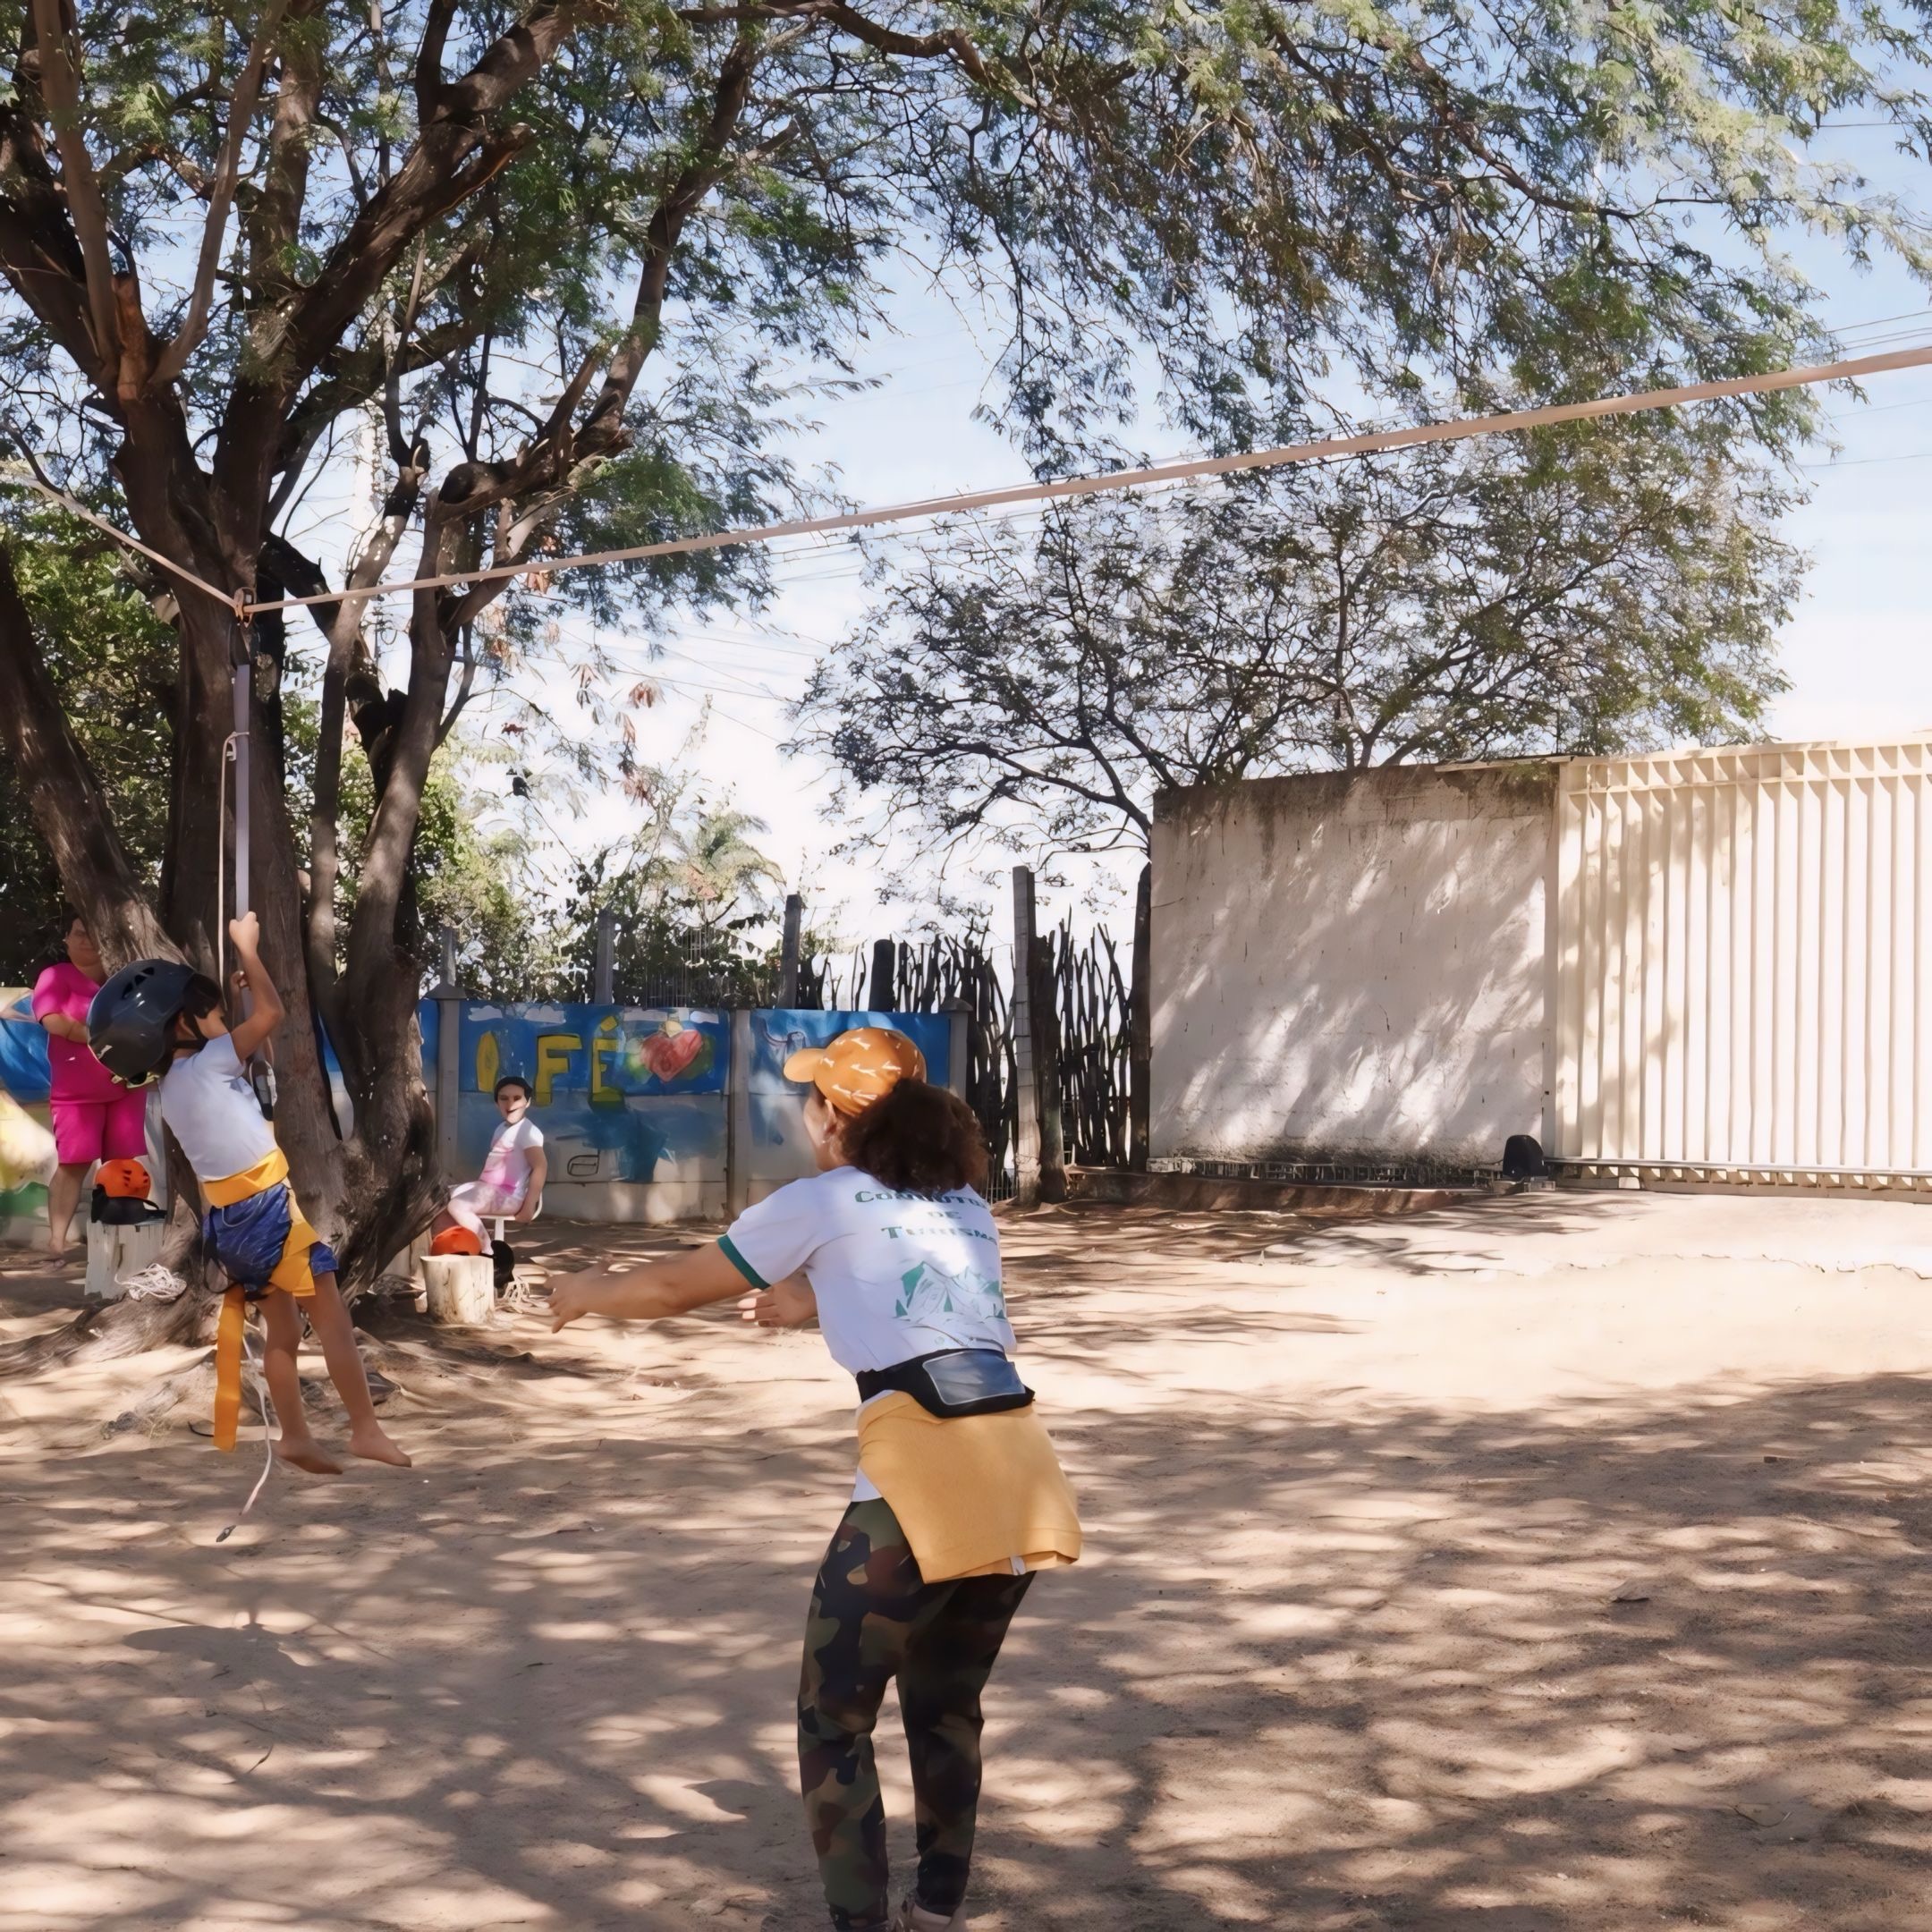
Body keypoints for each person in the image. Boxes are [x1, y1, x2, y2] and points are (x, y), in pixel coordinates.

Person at [549, 1026, 1080, 1932]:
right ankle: (939, 1910)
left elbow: (680, 1287)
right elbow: (919, 1301)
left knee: (833, 1720)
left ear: (834, 1119)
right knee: (947, 1706)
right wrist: (805, 1300)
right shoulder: (966, 1203)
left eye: (812, 1099)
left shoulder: (826, 1197)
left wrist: (589, 1290)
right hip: (1021, 1473)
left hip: (920, 1480)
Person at [88, 914, 410, 1475]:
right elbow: (272, 1015)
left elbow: (243, 1063)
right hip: (267, 1213)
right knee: (331, 1319)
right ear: (181, 1024)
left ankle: (294, 1435)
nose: (222, 1022)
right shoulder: (211, 1063)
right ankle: (364, 1428)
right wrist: (250, 952)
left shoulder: (173, 1088)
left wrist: (232, 1005)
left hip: (233, 1225)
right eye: (210, 1015)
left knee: (282, 1332)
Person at [31, 912, 148, 1259]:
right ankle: (57, 1243)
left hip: (126, 1086)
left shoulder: (123, 980)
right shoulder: (53, 976)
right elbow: (54, 1023)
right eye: (79, 933)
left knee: (123, 1165)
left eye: (93, 934)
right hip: (76, 1094)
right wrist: (103, 1039)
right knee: (73, 1163)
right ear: (66, 939)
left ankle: (118, 1244)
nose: (86, 940)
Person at [435, 1073, 546, 1242]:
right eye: (504, 1099)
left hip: (509, 1195)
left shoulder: (527, 1132)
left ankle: (488, 1252)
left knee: (458, 1206)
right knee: (438, 1201)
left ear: (527, 1102)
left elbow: (540, 1166)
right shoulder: (501, 1128)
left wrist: (529, 1207)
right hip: (487, 1189)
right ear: (497, 1103)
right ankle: (453, 1248)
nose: (510, 1104)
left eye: (517, 1098)